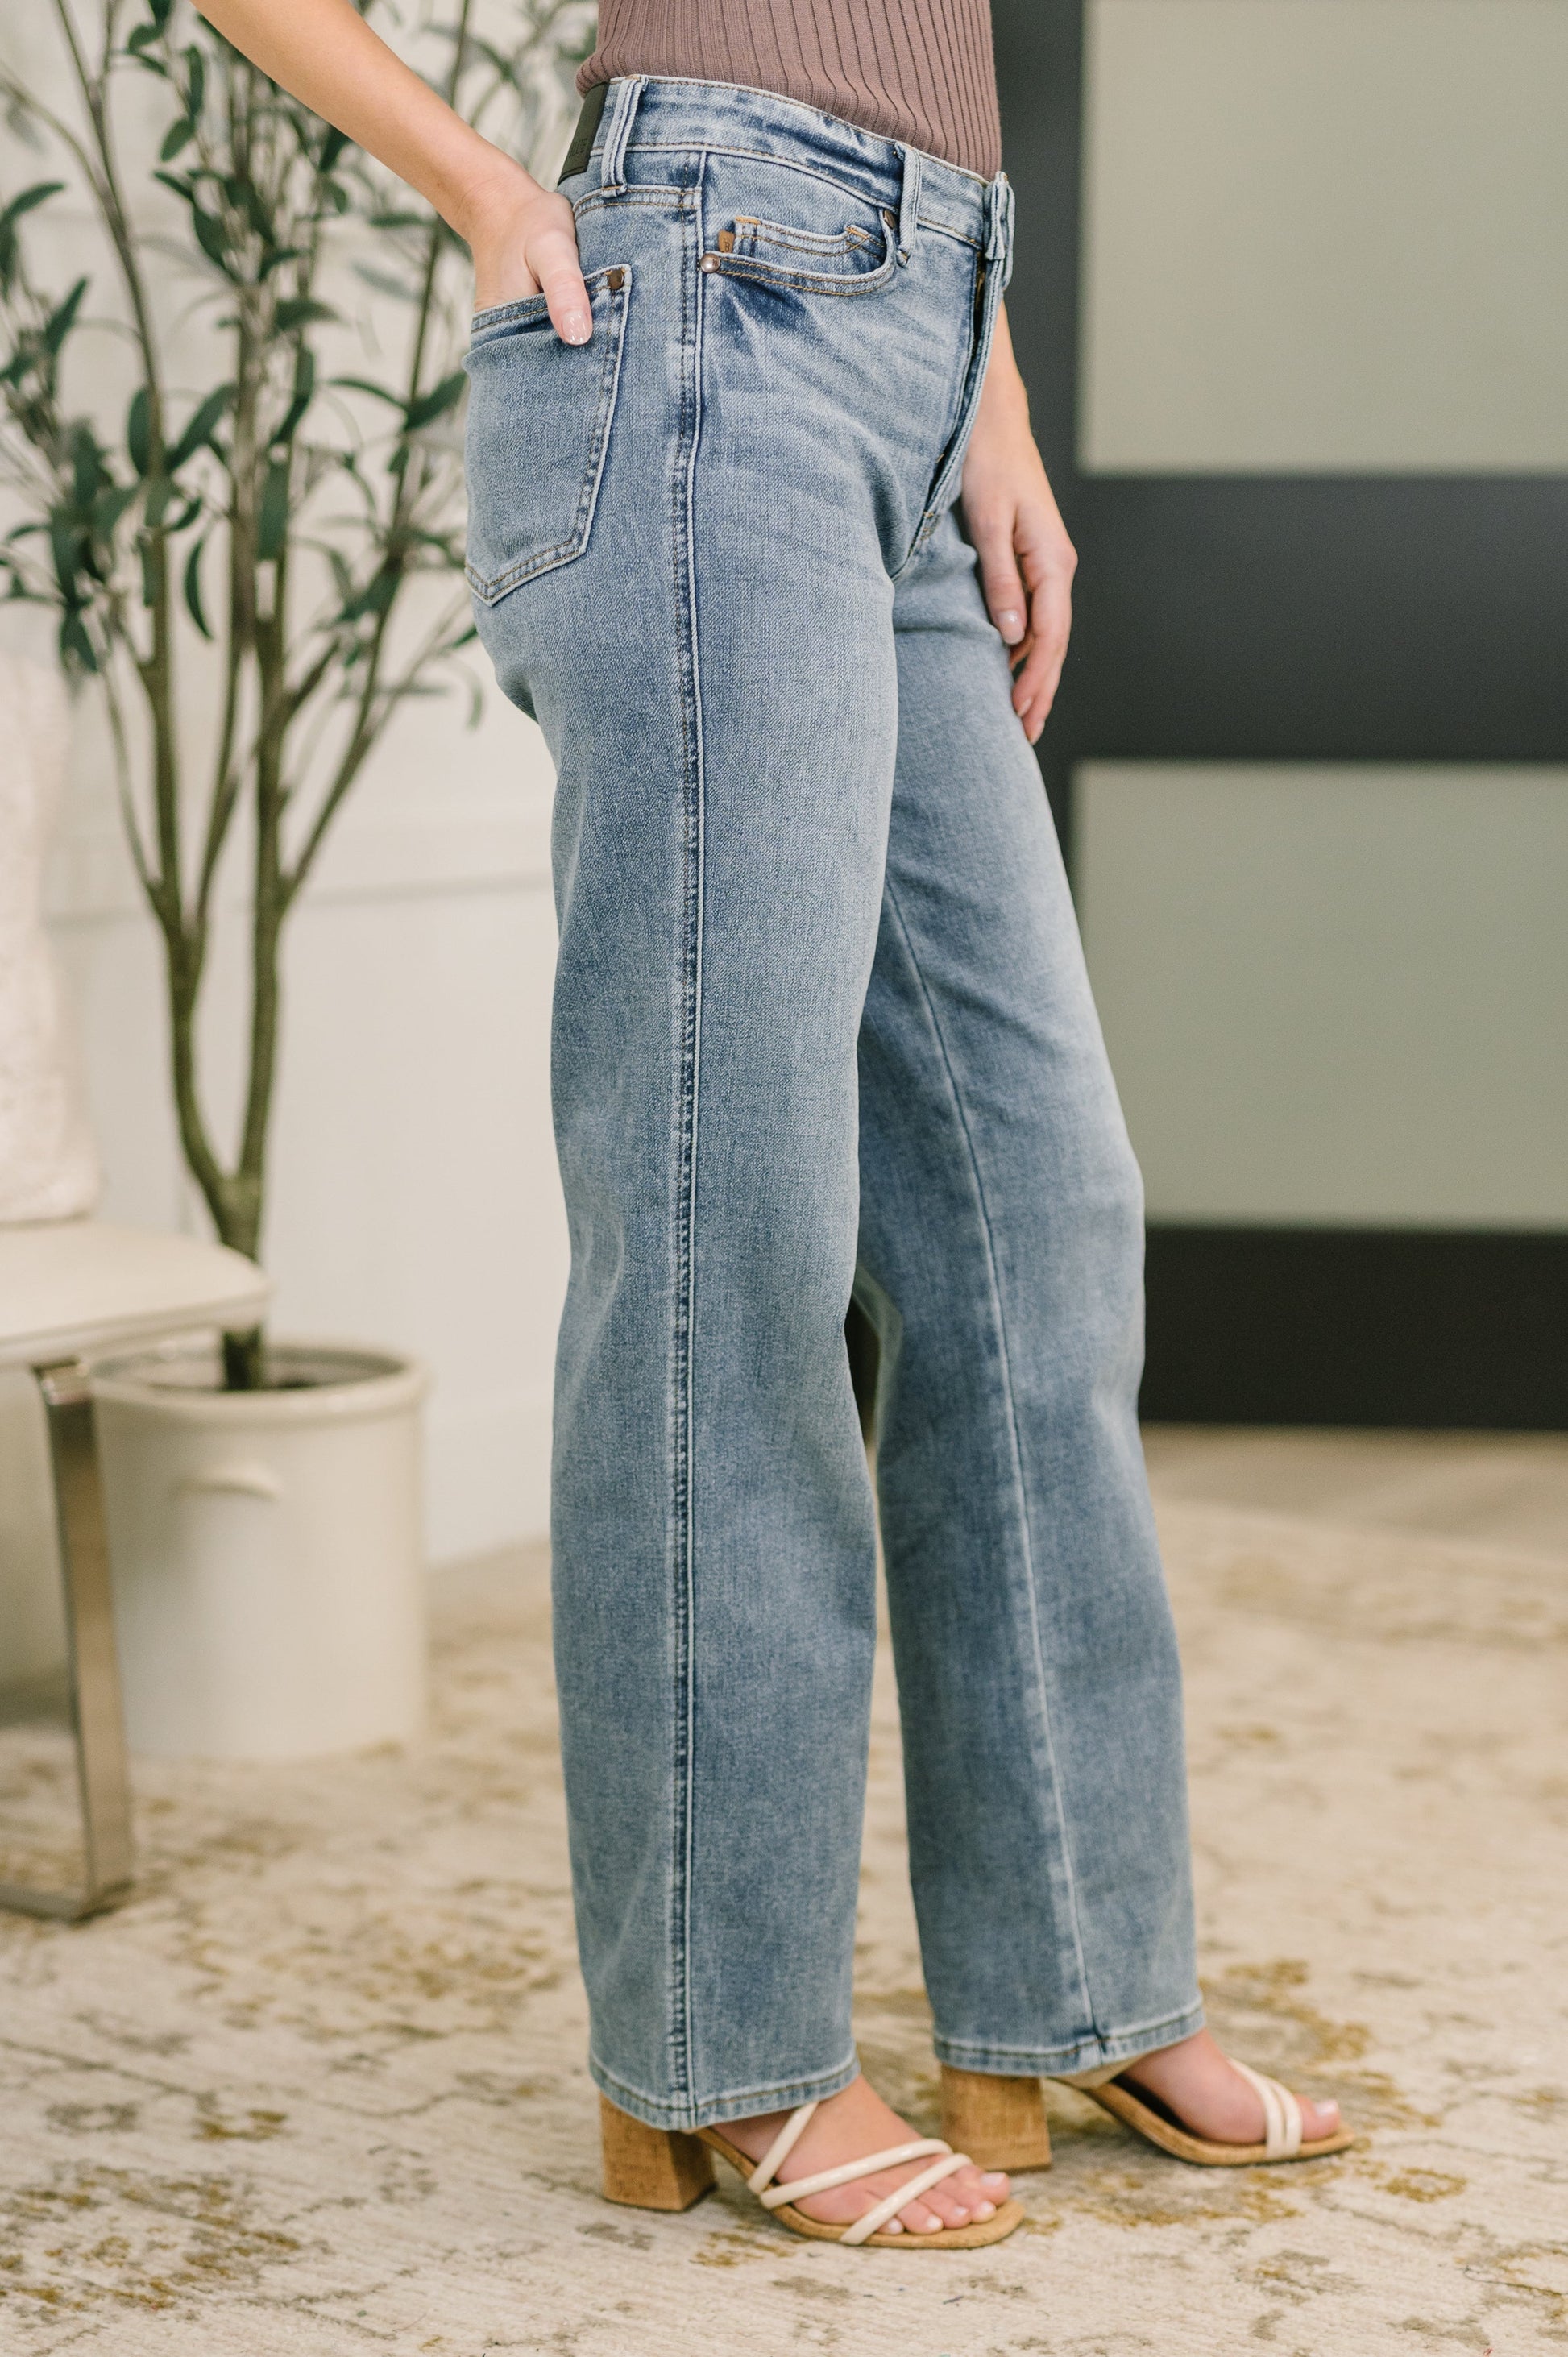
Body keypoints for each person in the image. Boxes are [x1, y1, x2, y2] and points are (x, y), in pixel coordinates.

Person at [198, 0, 1352, 2250]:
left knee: (1035, 1208)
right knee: (730, 1223)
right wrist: (485, 189)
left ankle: (1070, 1986)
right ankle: (721, 2053)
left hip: (918, 335)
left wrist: (985, 383)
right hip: (702, 319)